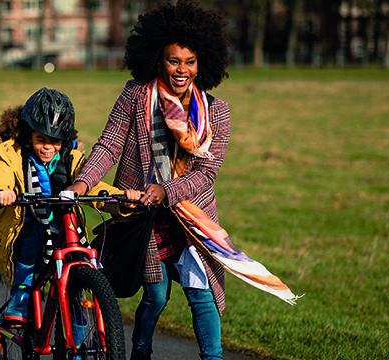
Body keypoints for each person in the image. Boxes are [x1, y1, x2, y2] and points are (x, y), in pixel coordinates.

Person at [66, 1, 232, 359]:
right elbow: (109, 144)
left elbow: (207, 172)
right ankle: (140, 352)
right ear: (158, 59)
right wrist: (81, 184)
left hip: (192, 218)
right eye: (174, 60)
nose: (181, 70)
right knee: (155, 297)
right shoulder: (136, 95)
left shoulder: (216, 112)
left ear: (202, 62)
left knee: (201, 293)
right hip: (143, 217)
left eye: (190, 61)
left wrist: (166, 190)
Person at [0, 87, 139, 331]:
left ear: (65, 140)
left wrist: (120, 200)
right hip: (30, 221)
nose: (48, 147)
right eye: (41, 140)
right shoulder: (13, 155)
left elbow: (93, 185)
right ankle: (20, 297)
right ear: (28, 136)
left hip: (65, 227)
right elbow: (0, 174)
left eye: (55, 141)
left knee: (79, 272)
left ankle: (78, 339)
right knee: (31, 238)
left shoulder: (72, 159)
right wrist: (2, 192)